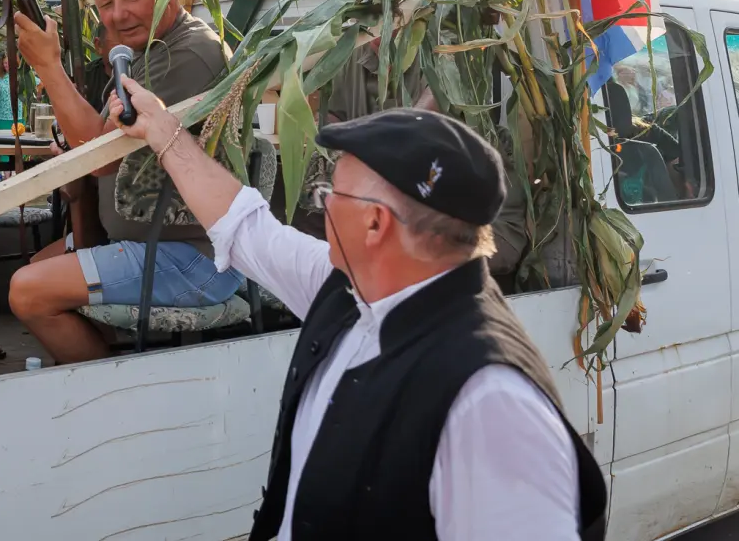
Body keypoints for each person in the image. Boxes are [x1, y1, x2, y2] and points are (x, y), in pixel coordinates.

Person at [110, 88, 608, 541]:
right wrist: (162, 130)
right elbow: (247, 229)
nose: (322, 207)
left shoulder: (488, 400)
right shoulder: (355, 291)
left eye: (331, 195)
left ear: (375, 222)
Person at [5, 0, 232, 365]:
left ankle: (113, 399)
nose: (119, 14)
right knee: (38, 265)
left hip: (193, 257)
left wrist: (48, 67)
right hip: (146, 244)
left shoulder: (189, 53)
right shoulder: (146, 51)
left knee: (28, 290)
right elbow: (100, 148)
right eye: (105, 4)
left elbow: (100, 157)